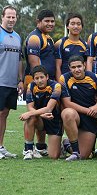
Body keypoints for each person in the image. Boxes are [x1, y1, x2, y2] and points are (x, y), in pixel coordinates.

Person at [60, 55, 97, 161]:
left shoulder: (95, 78)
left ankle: (67, 143)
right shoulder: (64, 78)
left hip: (90, 118)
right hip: (75, 115)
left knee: (84, 156)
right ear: (69, 68)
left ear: (84, 65)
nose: (77, 70)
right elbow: (67, 103)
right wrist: (89, 111)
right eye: (73, 67)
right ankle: (75, 152)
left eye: (79, 66)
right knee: (67, 113)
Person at [24, 9, 56, 155]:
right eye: (46, 21)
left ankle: (41, 147)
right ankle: (28, 149)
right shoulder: (35, 38)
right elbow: (35, 66)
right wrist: (40, 82)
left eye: (52, 21)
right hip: (37, 83)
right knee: (35, 114)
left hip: (47, 83)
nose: (50, 24)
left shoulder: (48, 38)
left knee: (43, 114)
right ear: (38, 22)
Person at [19, 65, 62, 160]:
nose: (39, 80)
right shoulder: (31, 86)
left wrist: (30, 113)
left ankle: (65, 144)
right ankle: (28, 149)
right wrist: (40, 115)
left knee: (54, 156)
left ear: (47, 77)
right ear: (33, 79)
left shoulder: (56, 86)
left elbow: (49, 109)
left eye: (42, 77)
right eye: (36, 78)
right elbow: (30, 106)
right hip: (40, 118)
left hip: (54, 119)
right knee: (31, 117)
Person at [0, 5, 23, 159]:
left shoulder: (17, 37)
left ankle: (1, 147)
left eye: (13, 17)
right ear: (2, 17)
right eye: (8, 16)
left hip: (11, 83)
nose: (11, 19)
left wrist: (20, 80)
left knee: (4, 114)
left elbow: (20, 60)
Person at [55, 13, 87, 80]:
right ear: (67, 26)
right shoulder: (60, 44)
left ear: (82, 26)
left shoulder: (85, 45)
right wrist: (60, 84)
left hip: (80, 83)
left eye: (78, 24)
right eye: (72, 24)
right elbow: (57, 67)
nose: (76, 26)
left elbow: (86, 66)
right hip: (65, 82)